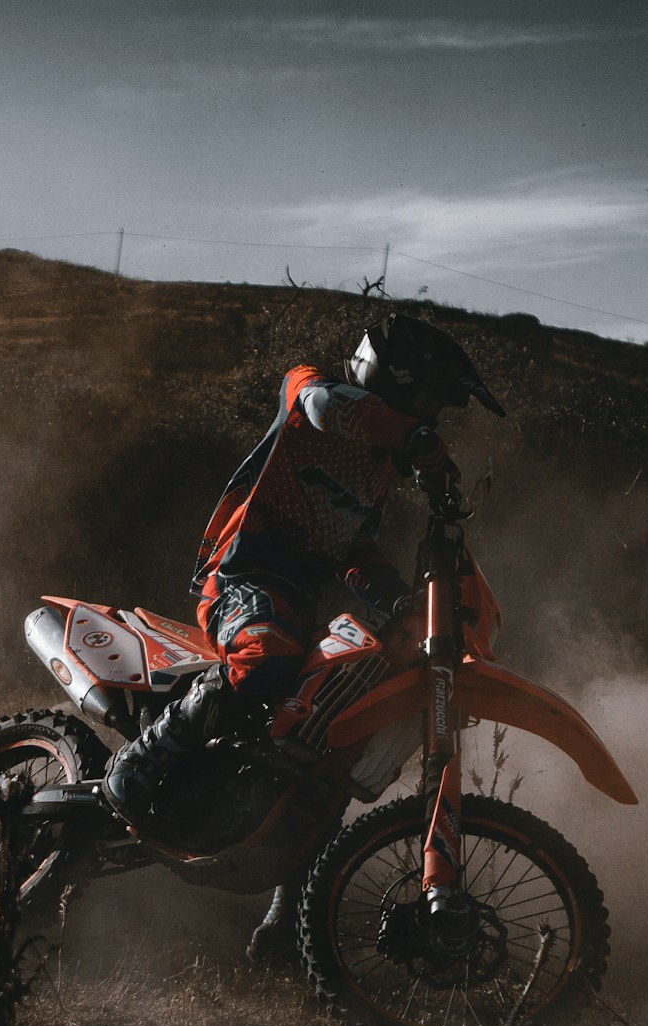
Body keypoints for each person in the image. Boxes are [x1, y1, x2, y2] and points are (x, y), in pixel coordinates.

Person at [101, 313, 505, 829]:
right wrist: (414, 434)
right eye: (429, 402)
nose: (433, 418)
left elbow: (354, 551)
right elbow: (323, 406)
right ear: (396, 377)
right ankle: (144, 756)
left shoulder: (376, 471)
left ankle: (278, 853)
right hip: (241, 578)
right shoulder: (309, 388)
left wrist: (402, 603)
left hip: (297, 602)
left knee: (337, 707)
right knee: (266, 656)